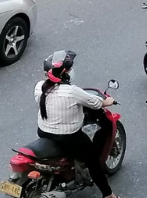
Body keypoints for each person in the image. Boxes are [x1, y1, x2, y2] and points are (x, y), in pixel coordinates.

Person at [34, 50, 119, 198]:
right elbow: (96, 103)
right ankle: (108, 195)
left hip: (43, 131)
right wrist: (109, 101)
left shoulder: (40, 86)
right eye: (71, 68)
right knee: (93, 161)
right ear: (65, 72)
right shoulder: (72, 91)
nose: (73, 71)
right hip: (68, 137)